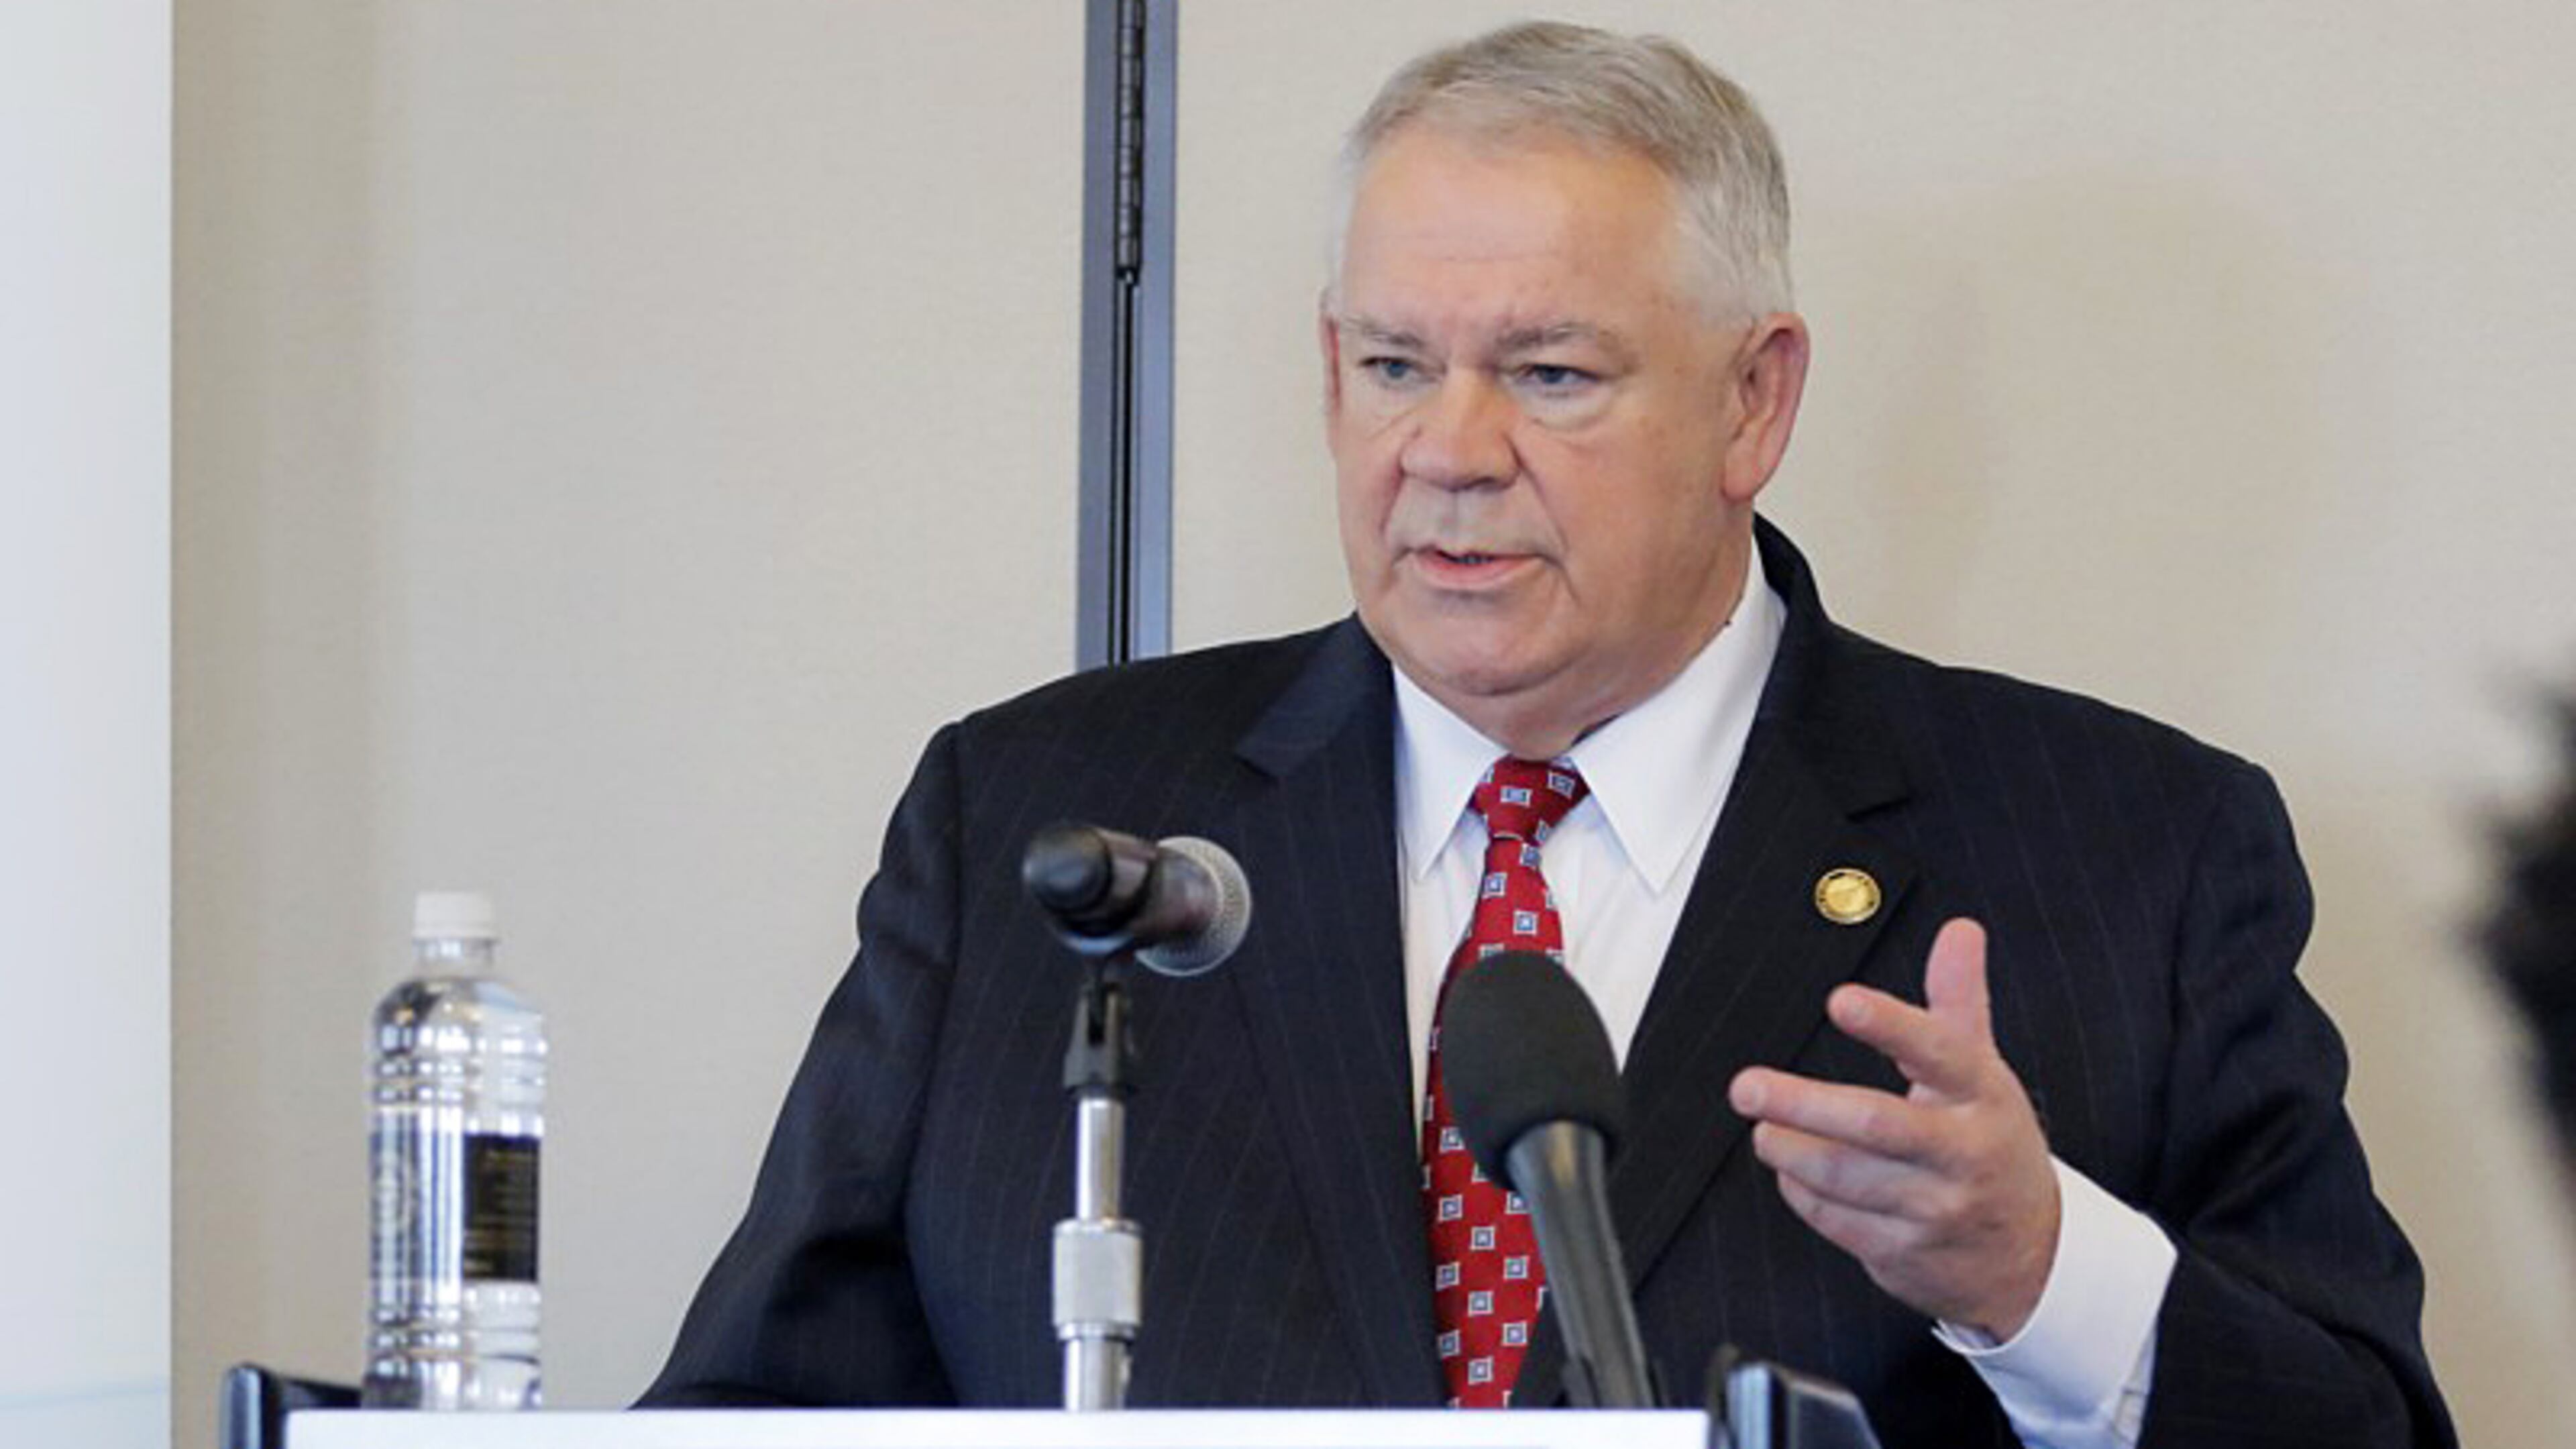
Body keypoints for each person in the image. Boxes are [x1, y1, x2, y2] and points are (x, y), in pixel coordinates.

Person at [642, 22, 2452, 1448]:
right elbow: (755, 1414)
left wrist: (2040, 1275)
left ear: (1754, 403)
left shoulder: (2125, 855)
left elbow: (2367, 1428)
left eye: (1550, 373)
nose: (1448, 450)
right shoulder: (1039, 822)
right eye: (1394, 365)